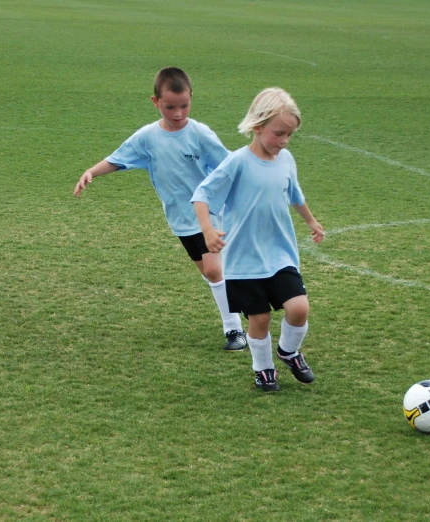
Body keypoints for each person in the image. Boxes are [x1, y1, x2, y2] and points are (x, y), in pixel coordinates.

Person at [73, 67, 246, 351]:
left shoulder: (200, 134)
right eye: (170, 107)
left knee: (214, 270)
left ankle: (234, 330)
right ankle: (242, 306)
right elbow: (119, 158)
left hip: (209, 214)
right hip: (180, 219)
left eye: (184, 106)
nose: (178, 113)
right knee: (210, 273)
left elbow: (228, 166)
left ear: (191, 98)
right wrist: (91, 172)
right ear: (155, 102)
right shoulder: (147, 137)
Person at [192, 87, 325, 392]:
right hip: (244, 260)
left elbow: (295, 194)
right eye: (279, 133)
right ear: (257, 126)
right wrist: (208, 231)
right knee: (260, 318)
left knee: (299, 308)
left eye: (290, 135)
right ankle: (263, 369)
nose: (284, 141)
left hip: (280, 254)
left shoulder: (287, 159)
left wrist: (311, 220)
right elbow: (202, 196)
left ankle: (289, 352)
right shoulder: (237, 162)